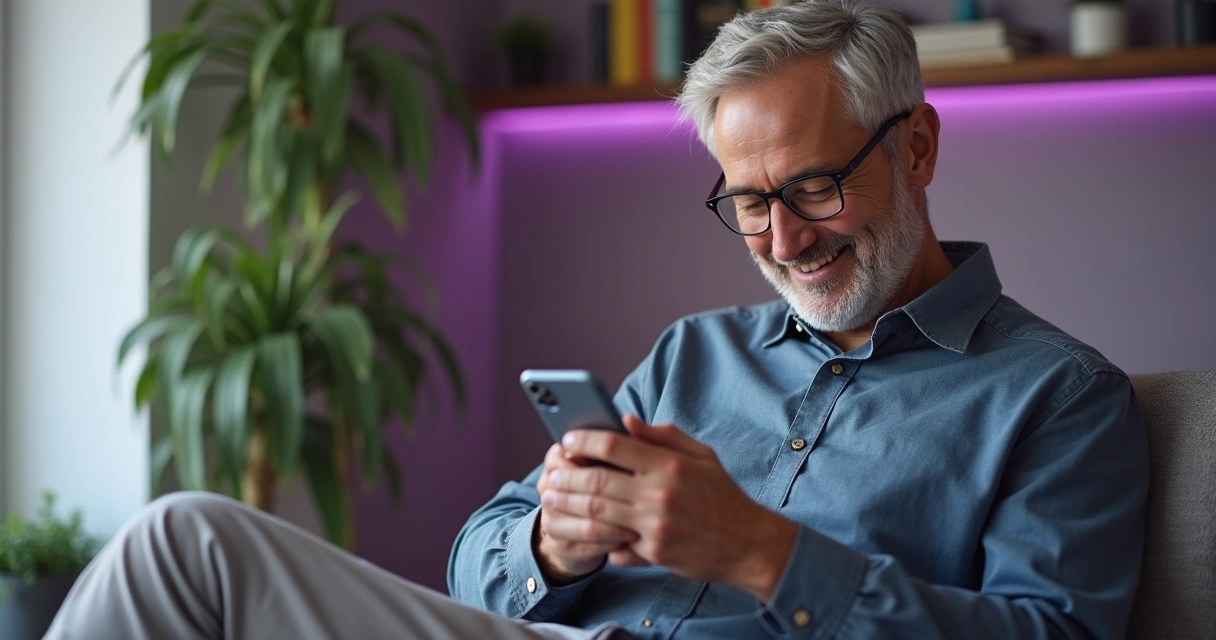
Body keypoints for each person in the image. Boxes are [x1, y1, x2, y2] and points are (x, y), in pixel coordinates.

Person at [47, 1, 1148, 639]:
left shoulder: (1059, 398)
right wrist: (549, 543)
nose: (784, 238)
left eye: (814, 187)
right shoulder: (691, 354)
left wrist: (763, 552)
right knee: (179, 540)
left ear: (915, 149)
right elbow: (476, 557)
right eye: (748, 203)